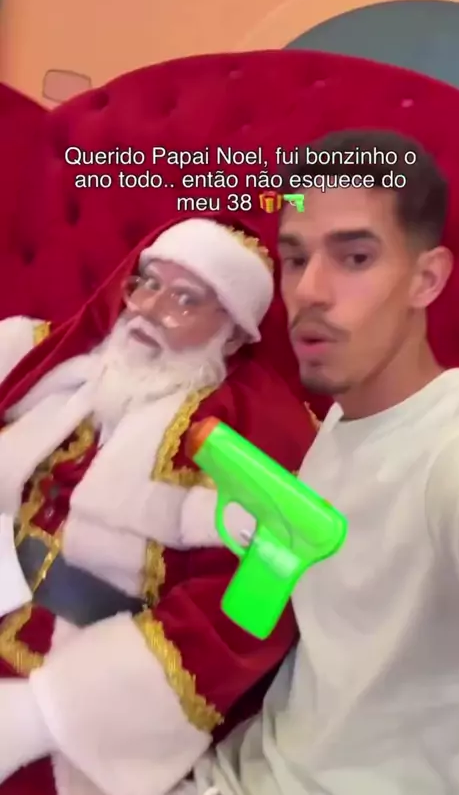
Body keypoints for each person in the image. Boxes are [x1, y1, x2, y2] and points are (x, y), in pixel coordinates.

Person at [188, 129, 459, 795]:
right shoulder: (347, 416)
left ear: (427, 278)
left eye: (354, 257)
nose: (310, 290)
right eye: (295, 258)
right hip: (234, 769)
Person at [0, 216, 318, 795]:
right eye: (147, 283)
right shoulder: (79, 376)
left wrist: (40, 714)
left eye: (185, 299)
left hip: (84, 690)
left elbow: (235, 624)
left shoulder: (250, 436)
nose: (148, 308)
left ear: (232, 336)